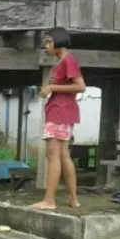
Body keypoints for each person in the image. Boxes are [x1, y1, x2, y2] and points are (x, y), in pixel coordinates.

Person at [32, 27, 85, 210]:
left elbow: (80, 87)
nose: (46, 46)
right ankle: (72, 198)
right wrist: (48, 87)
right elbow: (49, 88)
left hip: (60, 112)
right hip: (61, 111)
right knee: (63, 155)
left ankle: (49, 200)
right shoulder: (60, 63)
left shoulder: (68, 60)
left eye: (49, 42)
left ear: (59, 42)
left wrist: (53, 88)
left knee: (52, 155)